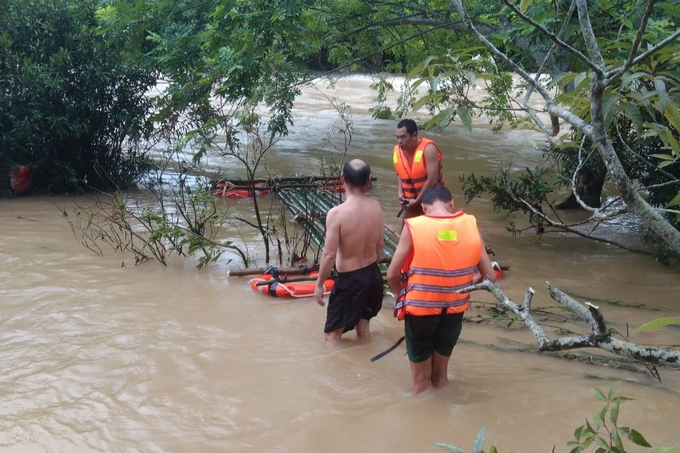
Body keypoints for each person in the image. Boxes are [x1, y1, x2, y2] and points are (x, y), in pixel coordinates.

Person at [386, 185, 496, 395]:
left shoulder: (414, 226)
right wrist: (465, 280)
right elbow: (489, 277)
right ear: (451, 204)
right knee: (440, 377)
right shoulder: (470, 225)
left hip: (420, 313)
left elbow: (392, 275)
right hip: (453, 313)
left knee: (420, 382)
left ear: (424, 208)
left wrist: (402, 296)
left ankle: (425, 424)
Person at [314, 159, 385, 347]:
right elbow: (380, 246)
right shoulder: (376, 207)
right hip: (373, 276)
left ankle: (335, 376)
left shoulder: (337, 214)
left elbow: (329, 255)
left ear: (342, 179)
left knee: (331, 336)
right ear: (368, 182)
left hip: (350, 281)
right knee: (363, 330)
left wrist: (319, 284)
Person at [393, 119, 445, 220]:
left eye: (403, 137)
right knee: (407, 232)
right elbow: (399, 173)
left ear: (414, 135)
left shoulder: (428, 149)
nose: (399, 141)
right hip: (411, 202)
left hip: (433, 201)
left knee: (433, 233)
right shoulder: (397, 150)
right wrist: (400, 192)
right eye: (398, 137)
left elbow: (432, 180)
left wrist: (417, 200)